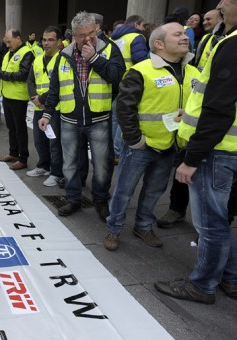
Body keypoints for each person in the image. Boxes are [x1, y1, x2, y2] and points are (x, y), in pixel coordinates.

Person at [154, 0, 237, 304]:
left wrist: (192, 158)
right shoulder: (223, 40)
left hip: (218, 150)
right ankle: (230, 278)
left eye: (225, 0)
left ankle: (202, 286)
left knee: (211, 225)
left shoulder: (230, 45)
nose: (218, 5)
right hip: (227, 148)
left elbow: (219, 109)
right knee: (221, 221)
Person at [104, 23, 200, 251]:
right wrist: (136, 140)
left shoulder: (194, 73)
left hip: (171, 147)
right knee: (124, 191)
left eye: (185, 33)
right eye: (177, 34)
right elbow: (125, 109)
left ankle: (143, 226)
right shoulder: (141, 70)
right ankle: (113, 229)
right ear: (159, 44)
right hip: (141, 146)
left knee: (155, 191)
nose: (185, 37)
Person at [38, 11, 125, 219]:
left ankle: (101, 200)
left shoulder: (109, 49)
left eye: (91, 33)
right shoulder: (64, 55)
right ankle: (73, 199)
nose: (88, 38)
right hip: (69, 120)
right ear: (73, 35)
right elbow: (55, 89)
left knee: (102, 165)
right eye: (82, 35)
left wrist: (94, 58)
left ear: (96, 29)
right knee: (70, 164)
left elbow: (117, 77)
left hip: (99, 120)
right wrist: (47, 114)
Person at [27, 26, 65, 187]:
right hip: (38, 108)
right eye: (44, 40)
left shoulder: (62, 59)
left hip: (54, 108)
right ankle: (43, 166)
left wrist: (42, 98)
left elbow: (60, 85)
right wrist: (34, 98)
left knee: (54, 143)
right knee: (39, 140)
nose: (46, 43)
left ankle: (57, 173)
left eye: (50, 40)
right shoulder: (37, 59)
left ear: (58, 42)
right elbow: (30, 81)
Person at [0, 29, 34, 168]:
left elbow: (22, 74)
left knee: (20, 129)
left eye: (9, 42)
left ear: (18, 38)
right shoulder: (10, 53)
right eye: (6, 42)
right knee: (11, 127)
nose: (7, 45)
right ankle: (13, 153)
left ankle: (23, 158)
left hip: (18, 97)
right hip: (8, 95)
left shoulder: (27, 52)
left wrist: (0, 74)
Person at [110, 15, 149, 163]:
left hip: (115, 82)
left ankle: (112, 150)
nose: (143, 28)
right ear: (136, 24)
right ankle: (117, 152)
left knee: (115, 118)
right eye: (142, 25)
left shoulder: (115, 38)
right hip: (131, 83)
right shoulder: (136, 37)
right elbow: (141, 60)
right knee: (124, 118)